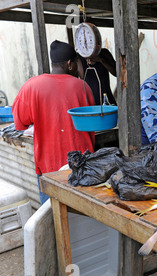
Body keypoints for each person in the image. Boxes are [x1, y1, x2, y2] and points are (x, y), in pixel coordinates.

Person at [12, 40, 95, 204]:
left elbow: (20, 123)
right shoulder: (82, 87)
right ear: (70, 63)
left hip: (48, 166)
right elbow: (92, 121)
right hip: (82, 165)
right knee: (85, 220)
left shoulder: (31, 86)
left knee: (53, 218)